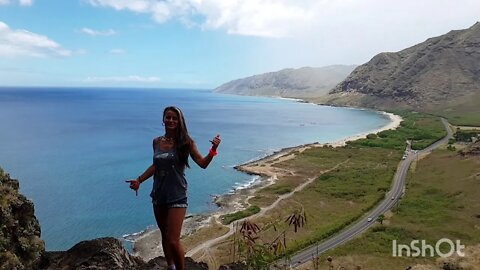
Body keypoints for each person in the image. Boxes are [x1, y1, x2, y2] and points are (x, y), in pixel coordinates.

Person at [126, 106, 221, 270]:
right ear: (163, 119)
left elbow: (202, 164)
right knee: (164, 234)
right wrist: (139, 180)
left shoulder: (186, 143)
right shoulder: (156, 141)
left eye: (174, 118)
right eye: (167, 117)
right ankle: (171, 267)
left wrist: (213, 150)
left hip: (177, 195)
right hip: (159, 194)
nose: (170, 120)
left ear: (179, 121)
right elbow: (156, 165)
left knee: (173, 239)